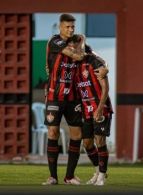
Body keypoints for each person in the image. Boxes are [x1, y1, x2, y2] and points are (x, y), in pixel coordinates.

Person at [42, 13, 108, 185]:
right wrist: (82, 41)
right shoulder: (55, 41)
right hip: (54, 96)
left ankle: (69, 176)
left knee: (77, 136)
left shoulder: (79, 42)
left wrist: (105, 67)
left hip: (73, 98)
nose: (70, 29)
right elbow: (78, 56)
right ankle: (52, 177)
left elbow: (96, 57)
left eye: (73, 26)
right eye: (67, 26)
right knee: (53, 132)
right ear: (60, 27)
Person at [74, 42, 113, 186]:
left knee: (100, 141)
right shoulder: (73, 66)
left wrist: (100, 108)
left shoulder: (93, 61)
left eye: (78, 49)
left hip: (100, 108)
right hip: (86, 109)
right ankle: (98, 171)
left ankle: (102, 176)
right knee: (87, 143)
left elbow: (105, 87)